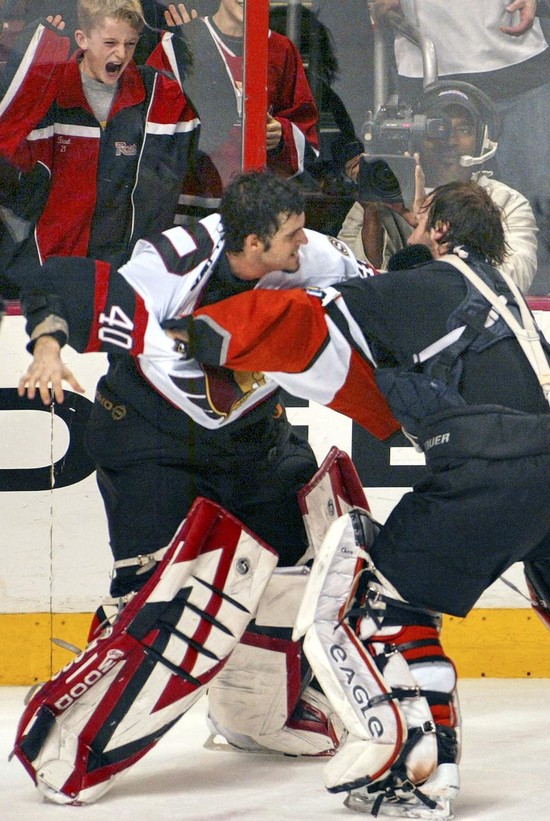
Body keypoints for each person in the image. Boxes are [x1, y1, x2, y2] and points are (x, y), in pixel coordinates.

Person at [187, 180, 550, 818]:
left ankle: (419, 776)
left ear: (445, 233)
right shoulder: (502, 288)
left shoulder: (417, 287)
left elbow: (310, 320)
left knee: (375, 606)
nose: (413, 227)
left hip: (492, 470)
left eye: (423, 220)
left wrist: (207, 329)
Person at [14, 171, 386, 802]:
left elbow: (382, 294)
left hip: (252, 443)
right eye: (289, 237)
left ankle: (258, 718)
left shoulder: (311, 257)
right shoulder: (169, 264)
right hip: (152, 443)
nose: (303, 247)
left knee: (307, 566)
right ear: (249, 242)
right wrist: (47, 350)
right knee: (152, 596)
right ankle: (72, 722)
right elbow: (67, 285)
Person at [0, 0, 199, 294]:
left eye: (130, 44)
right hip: (54, 274)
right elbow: (8, 144)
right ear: (82, 39)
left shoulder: (156, 93)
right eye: (110, 42)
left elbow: (203, 142)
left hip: (127, 277)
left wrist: (192, 47)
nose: (121, 54)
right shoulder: (48, 93)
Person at [369, 0, 550, 268]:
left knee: (530, 210)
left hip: (517, 63)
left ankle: (528, 306)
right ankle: (433, 295)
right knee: (425, 206)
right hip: (424, 62)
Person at [338, 81, 539, 291]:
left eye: (464, 129)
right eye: (437, 128)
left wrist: (429, 227)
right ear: (417, 138)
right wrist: (372, 214)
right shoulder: (382, 193)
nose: (450, 140)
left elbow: (514, 280)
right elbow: (351, 280)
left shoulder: (507, 202)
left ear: (481, 140)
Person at [162, 0, 319, 218]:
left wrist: (280, 136)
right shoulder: (186, 38)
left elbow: (307, 134)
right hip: (189, 206)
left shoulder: (281, 50)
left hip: (254, 210)